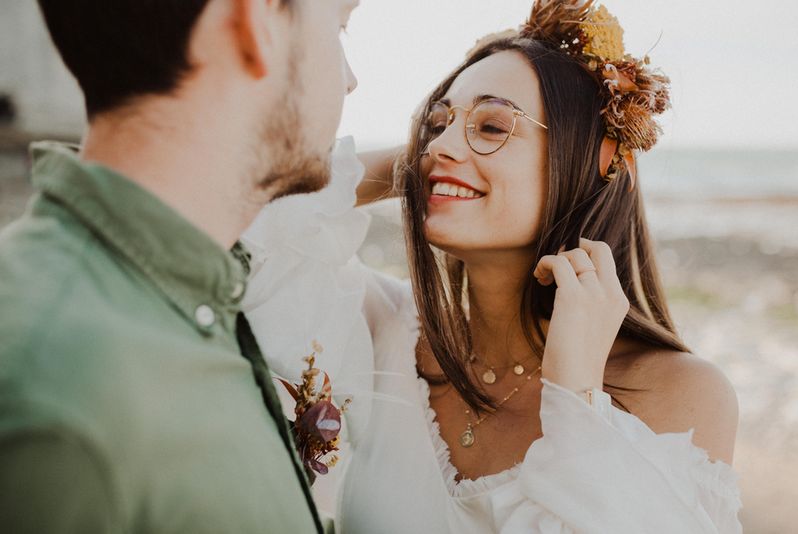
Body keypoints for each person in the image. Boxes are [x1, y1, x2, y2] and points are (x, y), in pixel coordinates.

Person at [243, 1, 742, 532]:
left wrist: (576, 397)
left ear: (586, 159)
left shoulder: (682, 395)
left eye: (492, 125)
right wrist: (415, 165)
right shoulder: (381, 329)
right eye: (437, 123)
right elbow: (245, 220)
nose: (442, 146)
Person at [0, 0, 359, 532]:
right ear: (255, 21)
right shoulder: (52, 395)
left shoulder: (184, 295)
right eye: (340, 25)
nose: (350, 80)